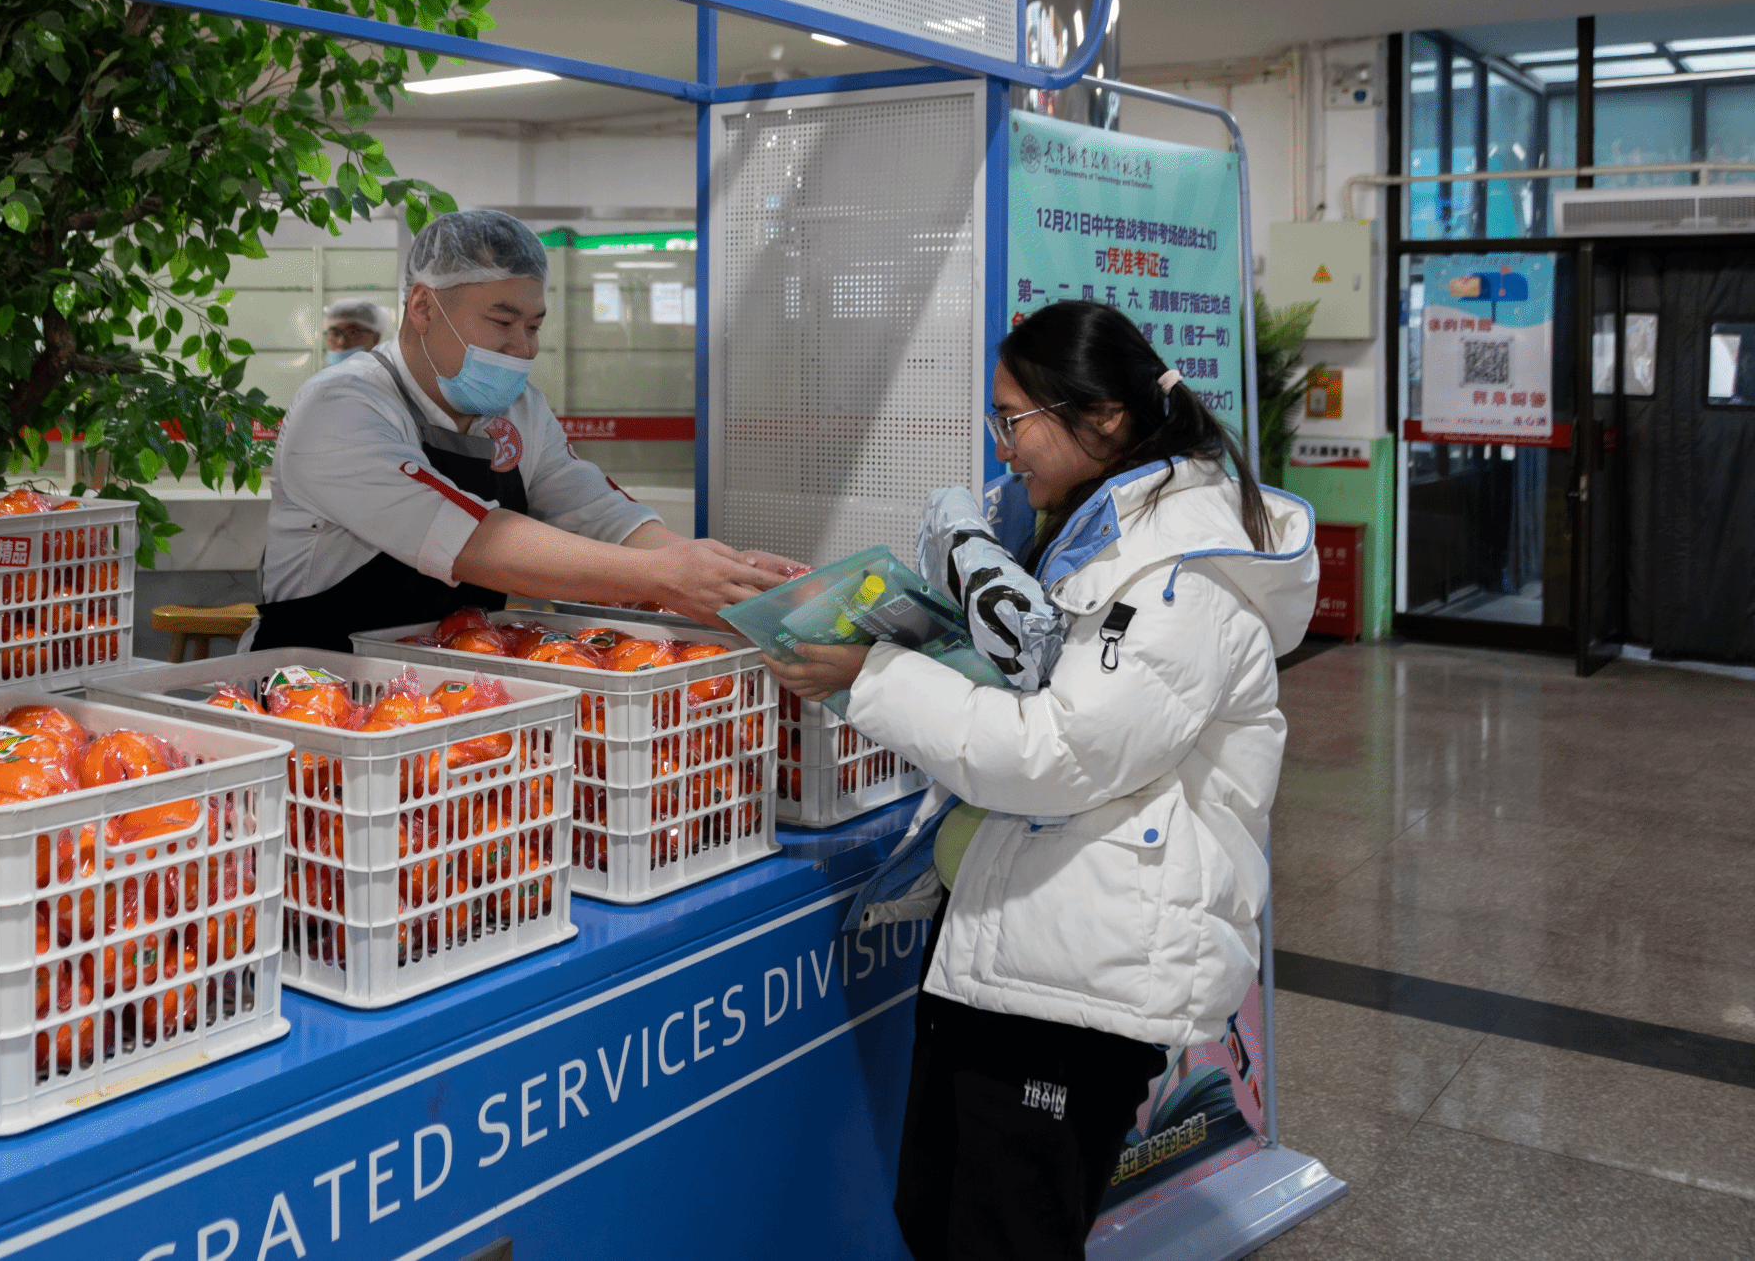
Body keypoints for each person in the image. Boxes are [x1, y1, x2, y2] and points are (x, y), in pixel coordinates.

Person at [767, 301, 1318, 1260]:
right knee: (938, 1214)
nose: (1002, 445)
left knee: (1005, 1235)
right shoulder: (1099, 533)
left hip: (1082, 981)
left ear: (1103, 416)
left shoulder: (1182, 576)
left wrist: (875, 677)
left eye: (1014, 418)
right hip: (1018, 942)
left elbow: (1059, 754)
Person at [252, 210, 791, 652]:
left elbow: (595, 511)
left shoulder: (519, 410)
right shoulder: (341, 407)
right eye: (503, 322)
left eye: (534, 326)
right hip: (316, 684)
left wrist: (723, 574)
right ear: (423, 306)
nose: (524, 348)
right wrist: (661, 575)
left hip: (454, 686)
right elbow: (468, 539)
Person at [322, 297, 392, 367]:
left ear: (375, 338)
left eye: (352, 332)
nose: (341, 342)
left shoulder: (384, 373)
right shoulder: (323, 374)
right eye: (334, 333)